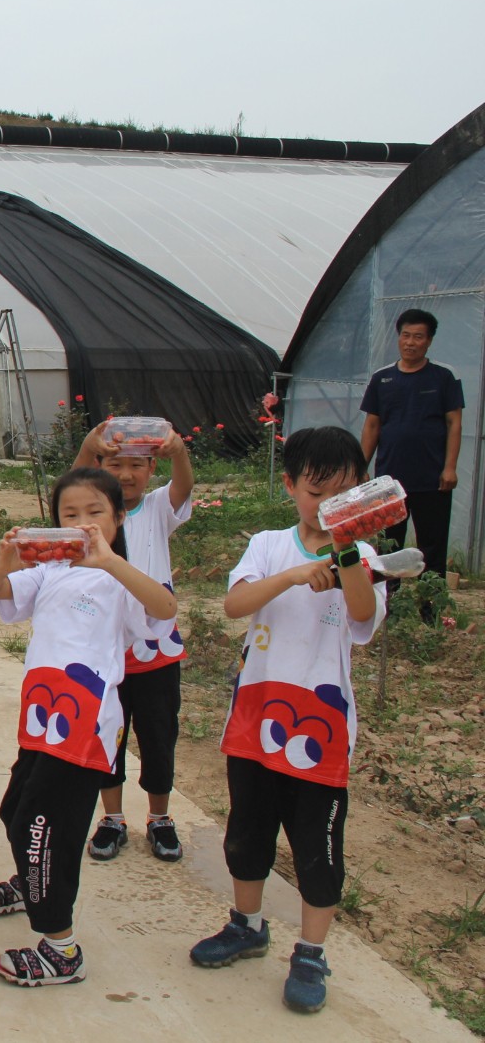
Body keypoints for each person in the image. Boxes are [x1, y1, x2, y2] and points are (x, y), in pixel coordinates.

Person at [189, 427, 385, 1014]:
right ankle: (246, 925)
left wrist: (344, 555)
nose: (328, 505)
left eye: (344, 493)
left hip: (320, 729)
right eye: (317, 492)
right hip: (257, 717)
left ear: (362, 491)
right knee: (247, 834)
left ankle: (311, 953)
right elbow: (236, 604)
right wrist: (297, 574)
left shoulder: (366, 556)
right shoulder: (268, 544)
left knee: (317, 848)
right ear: (291, 486)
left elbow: (362, 615)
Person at [0, 468, 176, 986]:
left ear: (118, 517)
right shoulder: (50, 571)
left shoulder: (120, 577)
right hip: (42, 720)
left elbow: (165, 608)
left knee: (41, 830)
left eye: (95, 513)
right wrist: (5, 561)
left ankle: (61, 950)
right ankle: (31, 884)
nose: (82, 523)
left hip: (86, 726)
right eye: (70, 514)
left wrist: (111, 561)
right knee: (15, 811)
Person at [71, 420, 194, 863]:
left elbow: (184, 486)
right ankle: (113, 818)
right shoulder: (93, 516)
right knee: (109, 735)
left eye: (137, 465)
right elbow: (72, 487)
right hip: (105, 652)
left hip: (157, 653)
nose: (126, 474)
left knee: (159, 737)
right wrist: (87, 446)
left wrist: (178, 452)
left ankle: (160, 817)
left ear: (151, 468)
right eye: (115, 464)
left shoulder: (158, 506)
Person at [358, 308, 464, 595]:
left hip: (433, 479)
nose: (410, 342)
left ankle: (431, 605)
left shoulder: (444, 377)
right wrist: (360, 466)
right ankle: (387, 603)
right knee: (388, 544)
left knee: (432, 544)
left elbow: (454, 423)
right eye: (406, 335)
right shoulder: (382, 378)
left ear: (429, 341)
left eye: (418, 337)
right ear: (398, 337)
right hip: (389, 481)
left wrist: (450, 467)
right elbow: (372, 426)